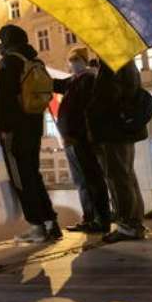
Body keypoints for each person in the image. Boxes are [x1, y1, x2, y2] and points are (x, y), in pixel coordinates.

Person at [0, 25, 63, 243]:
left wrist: (3, 128)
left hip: (16, 128)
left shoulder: (9, 62)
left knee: (21, 178)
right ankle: (51, 222)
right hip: (35, 124)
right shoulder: (36, 62)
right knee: (33, 173)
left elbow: (5, 98)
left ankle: (36, 226)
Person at [87, 59, 149, 243]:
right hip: (122, 129)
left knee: (118, 177)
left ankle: (127, 224)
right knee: (127, 175)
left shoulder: (112, 63)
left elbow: (108, 97)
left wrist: (92, 106)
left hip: (114, 130)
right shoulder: (127, 62)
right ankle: (135, 222)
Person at [53, 48, 111, 233]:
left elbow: (84, 112)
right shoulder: (74, 80)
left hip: (81, 139)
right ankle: (89, 217)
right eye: (71, 59)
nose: (72, 63)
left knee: (92, 179)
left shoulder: (88, 80)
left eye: (76, 59)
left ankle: (101, 219)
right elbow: (55, 84)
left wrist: (78, 135)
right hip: (70, 140)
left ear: (84, 60)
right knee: (82, 182)